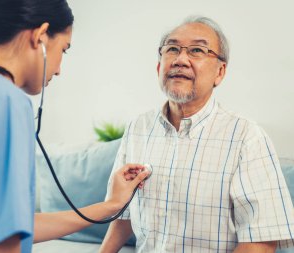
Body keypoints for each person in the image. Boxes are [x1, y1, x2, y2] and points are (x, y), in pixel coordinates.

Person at [0, 0, 150, 252]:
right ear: (40, 37)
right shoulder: (2, 100)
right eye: (64, 49)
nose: (59, 70)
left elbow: (14, 226)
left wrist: (110, 206)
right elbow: (2, 246)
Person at [100, 16, 294, 253]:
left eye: (197, 50)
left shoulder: (247, 137)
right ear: (159, 67)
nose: (181, 59)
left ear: (219, 73)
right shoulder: (138, 128)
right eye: (172, 49)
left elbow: (261, 240)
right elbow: (123, 213)